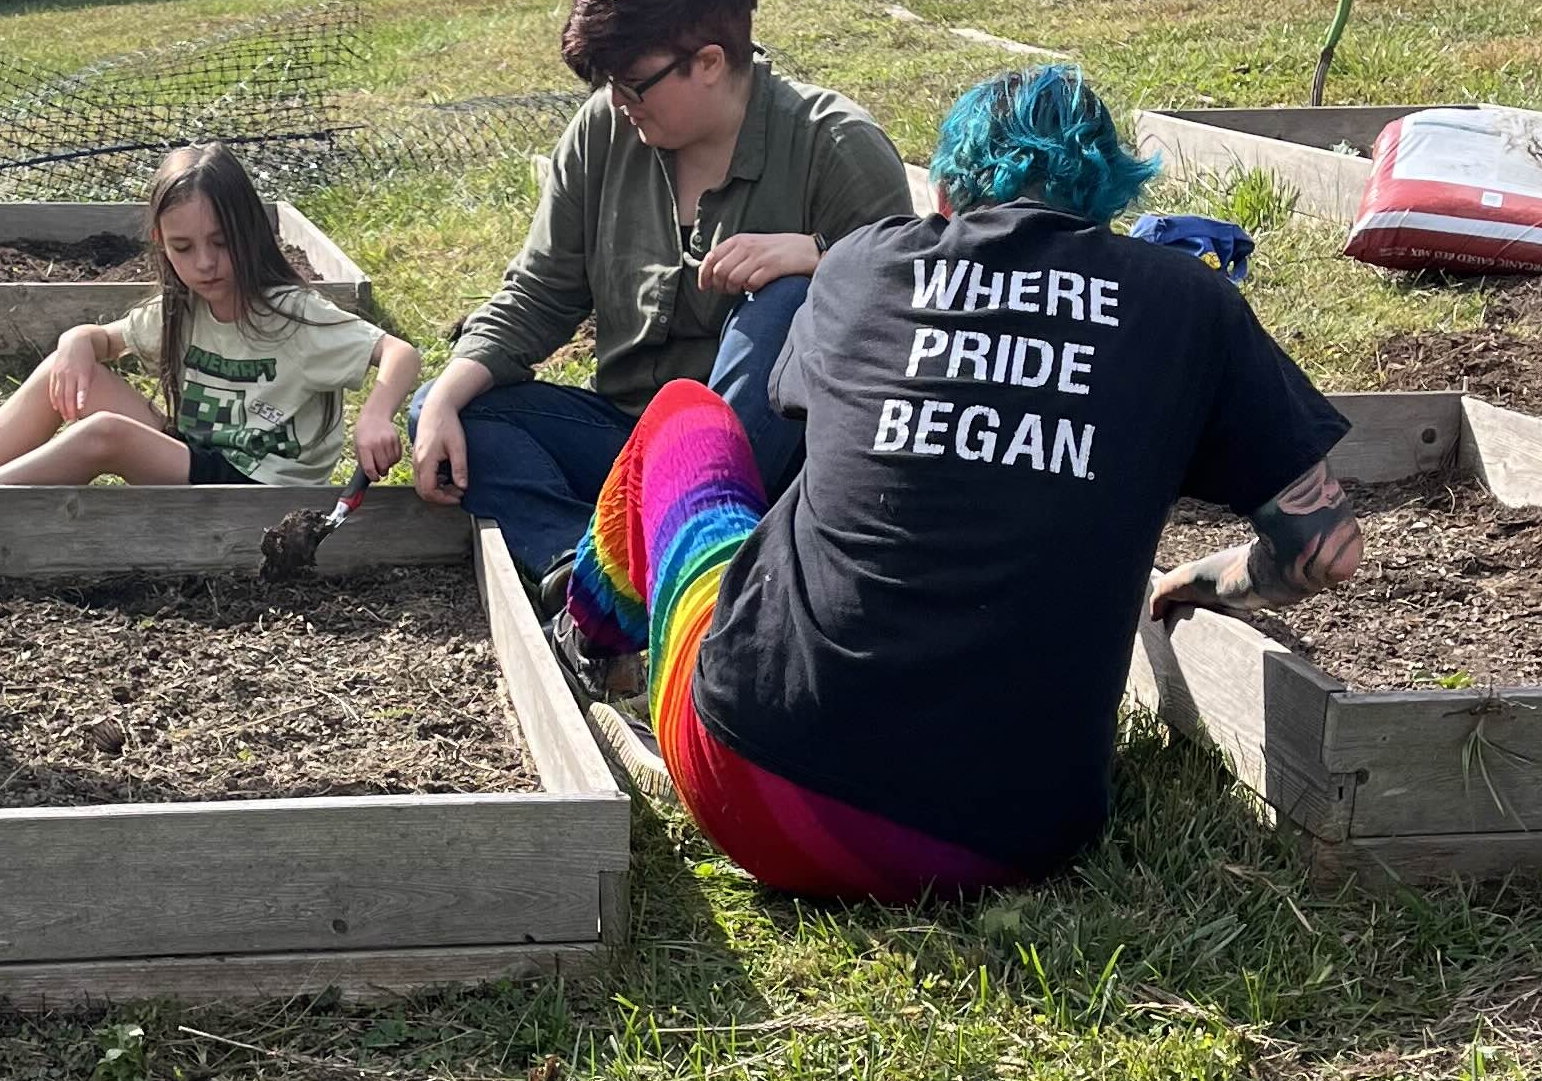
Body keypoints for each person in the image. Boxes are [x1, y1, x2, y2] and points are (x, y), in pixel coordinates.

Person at [563, 64, 1364, 901]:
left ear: (944, 191)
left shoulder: (862, 267)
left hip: (757, 783)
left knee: (686, 416)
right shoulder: (1190, 303)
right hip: (1010, 839)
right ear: (1110, 202)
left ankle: (592, 644)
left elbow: (801, 412)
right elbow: (1327, 549)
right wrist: (1206, 577)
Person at [410, 0, 910, 586]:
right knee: (449, 407)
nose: (618, 104)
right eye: (607, 85)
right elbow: (540, 293)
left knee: (790, 300)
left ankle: (662, 567)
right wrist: (444, 395)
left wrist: (824, 258)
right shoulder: (602, 133)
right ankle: (579, 574)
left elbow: (913, 318)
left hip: (770, 470)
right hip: (626, 444)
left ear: (707, 62)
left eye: (632, 84)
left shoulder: (835, 145)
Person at [0, 141, 420, 494]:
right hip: (193, 455)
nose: (204, 263)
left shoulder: (291, 314)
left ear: (251, 232)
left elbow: (399, 353)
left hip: (258, 491)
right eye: (184, 247)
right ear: (161, 243)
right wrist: (75, 338)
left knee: (105, 435)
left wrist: (376, 415)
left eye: (220, 243)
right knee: (65, 371)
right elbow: (103, 342)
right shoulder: (185, 310)